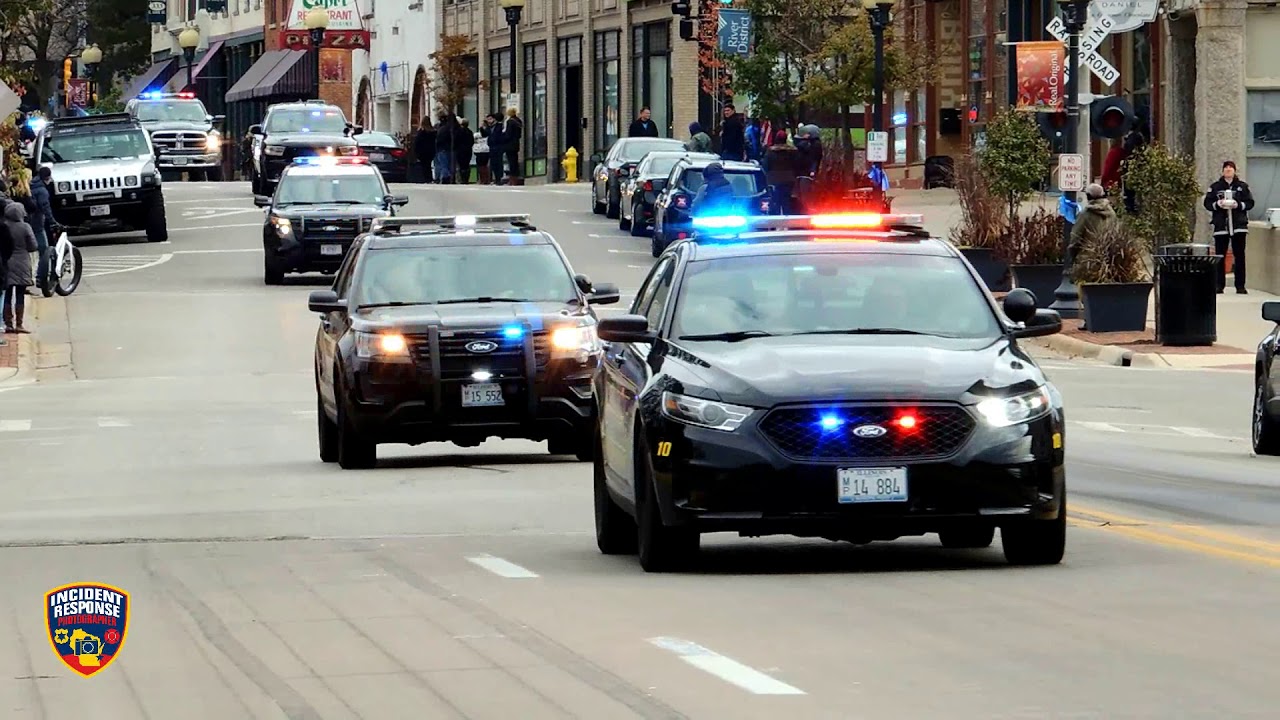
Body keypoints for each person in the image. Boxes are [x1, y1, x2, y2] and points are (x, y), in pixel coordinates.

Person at [1203, 160, 1255, 294]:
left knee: (1239, 256)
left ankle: (1240, 286)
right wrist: (1218, 204)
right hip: (1221, 226)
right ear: (1222, 171)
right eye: (1226, 168)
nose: (1228, 170)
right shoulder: (1215, 187)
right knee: (1220, 256)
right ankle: (1219, 285)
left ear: (1234, 171)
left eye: (1231, 168)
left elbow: (1250, 203)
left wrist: (1238, 205)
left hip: (1239, 226)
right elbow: (1207, 203)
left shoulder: (1242, 187)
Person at [3, 203, 37, 333]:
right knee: (20, 294)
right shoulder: (25, 227)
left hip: (6, 263)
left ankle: (8, 324)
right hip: (22, 262)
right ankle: (19, 324)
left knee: (7, 294)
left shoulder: (4, 227)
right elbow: (33, 246)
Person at [1069, 183, 1118, 273]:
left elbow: (1075, 237)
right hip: (1107, 259)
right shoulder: (1112, 213)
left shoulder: (1085, 214)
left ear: (1088, 196)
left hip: (1087, 259)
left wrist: (1072, 255)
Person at [761, 130, 802, 215]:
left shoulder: (770, 151)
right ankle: (787, 218)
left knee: (775, 200)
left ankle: (775, 218)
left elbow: (765, 165)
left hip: (773, 179)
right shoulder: (793, 151)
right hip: (789, 178)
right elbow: (798, 164)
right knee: (786, 200)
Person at [29, 167, 55, 294]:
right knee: (44, 250)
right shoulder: (42, 191)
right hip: (37, 224)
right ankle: (41, 276)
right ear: (47, 178)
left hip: (27, 222)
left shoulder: (30, 185)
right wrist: (53, 222)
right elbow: (45, 207)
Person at [502, 108, 524, 185]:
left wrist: (503, 137)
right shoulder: (518, 121)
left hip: (509, 145)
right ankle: (516, 178)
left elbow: (508, 134)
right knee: (515, 160)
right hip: (516, 143)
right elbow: (519, 134)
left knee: (511, 162)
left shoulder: (510, 122)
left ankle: (512, 179)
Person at [485, 113, 506, 185]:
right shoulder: (489, 127)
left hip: (498, 146)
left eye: (490, 119)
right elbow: (485, 134)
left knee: (498, 163)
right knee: (493, 163)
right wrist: (483, 127)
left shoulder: (499, 126)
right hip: (491, 147)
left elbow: (499, 135)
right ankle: (496, 178)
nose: (489, 121)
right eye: (488, 119)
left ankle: (499, 178)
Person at [413, 117, 436, 184]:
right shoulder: (433, 132)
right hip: (431, 151)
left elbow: (417, 142)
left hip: (422, 152)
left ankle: (426, 179)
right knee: (428, 165)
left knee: (424, 166)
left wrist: (416, 152)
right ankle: (429, 178)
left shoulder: (421, 132)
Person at [454, 118, 474, 184]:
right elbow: (472, 141)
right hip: (468, 150)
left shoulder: (458, 131)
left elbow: (455, 140)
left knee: (461, 165)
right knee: (466, 165)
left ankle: (462, 178)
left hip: (460, 150)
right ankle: (466, 178)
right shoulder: (470, 132)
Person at [473, 118, 491, 185]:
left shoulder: (487, 132)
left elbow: (484, 134)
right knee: (481, 166)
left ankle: (485, 179)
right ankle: (482, 179)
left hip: (484, 150)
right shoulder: (478, 133)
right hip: (479, 150)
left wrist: (481, 128)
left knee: (483, 165)